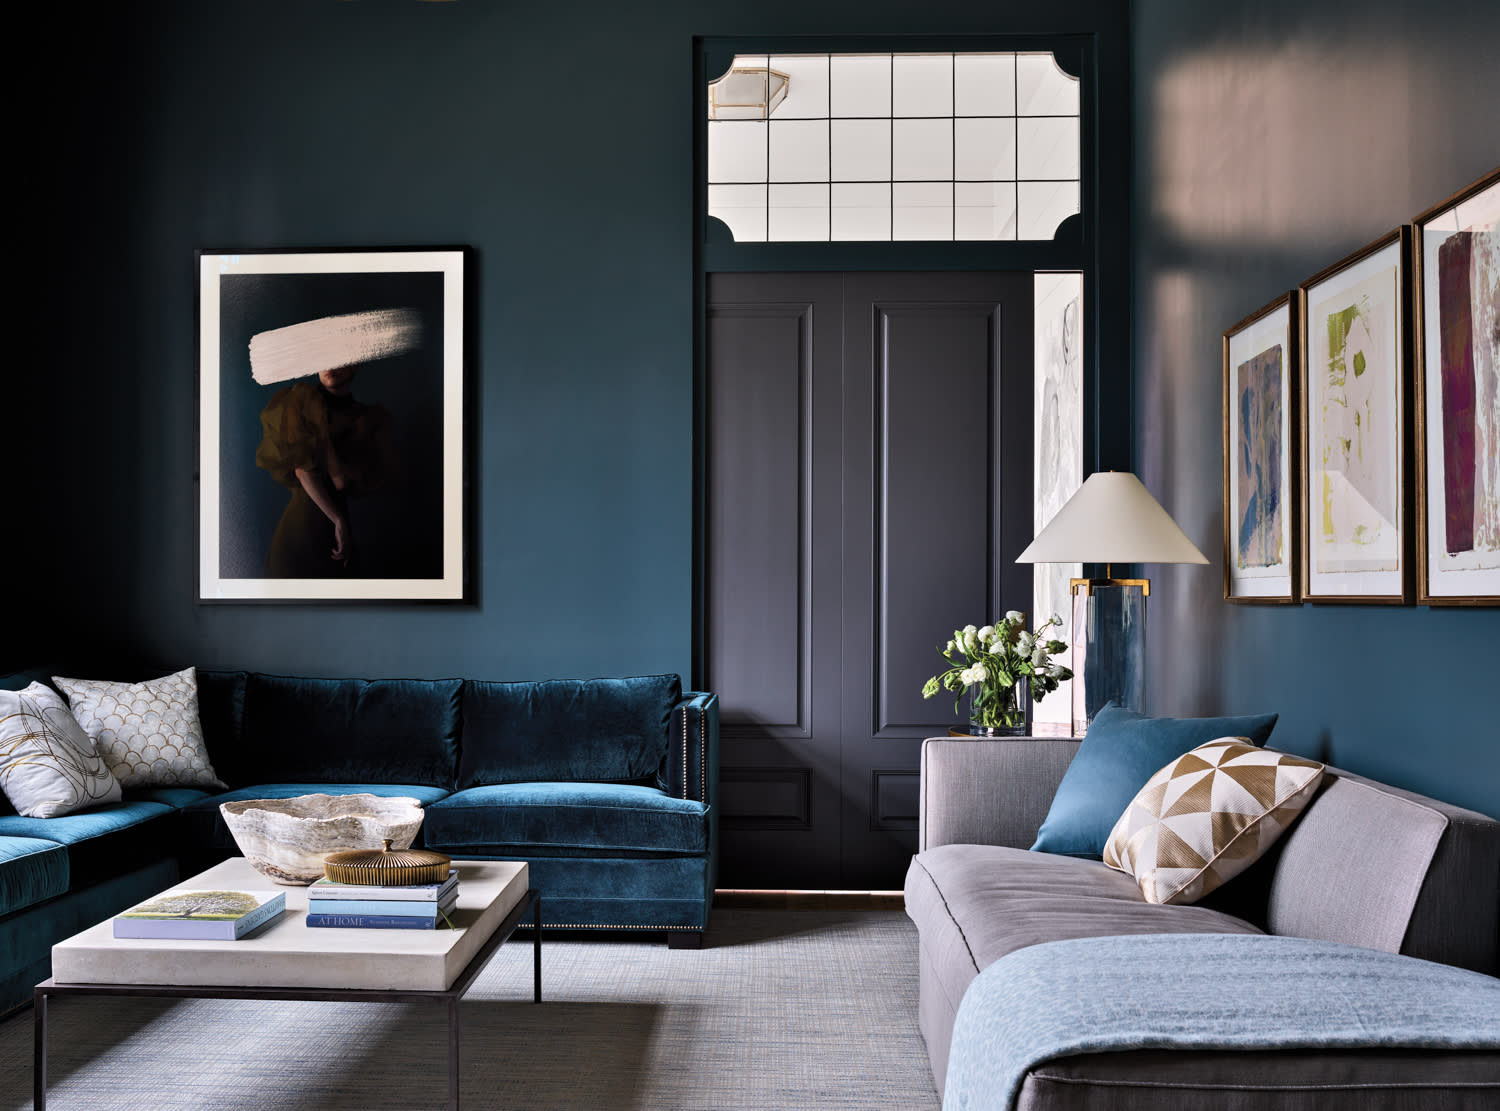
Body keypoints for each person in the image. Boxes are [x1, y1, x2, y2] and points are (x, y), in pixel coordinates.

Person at [255, 365, 396, 577]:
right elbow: (303, 471)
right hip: (303, 527)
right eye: (323, 358)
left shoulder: (366, 419)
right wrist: (337, 519)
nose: (328, 366)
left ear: (355, 365)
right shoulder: (300, 401)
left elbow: (342, 481)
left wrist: (339, 522)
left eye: (337, 357)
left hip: (337, 529)